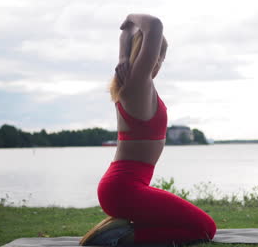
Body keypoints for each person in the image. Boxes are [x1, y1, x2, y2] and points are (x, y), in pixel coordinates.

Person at [79, 14, 217, 246]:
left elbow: (128, 33)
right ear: (145, 55)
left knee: (190, 225)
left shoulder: (132, 82)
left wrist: (124, 50)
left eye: (162, 58)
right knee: (206, 228)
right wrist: (130, 18)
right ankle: (119, 238)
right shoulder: (137, 84)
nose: (159, 63)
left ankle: (117, 230)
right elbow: (154, 25)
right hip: (124, 189)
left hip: (124, 187)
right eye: (157, 56)